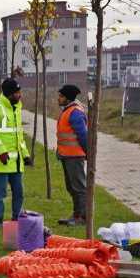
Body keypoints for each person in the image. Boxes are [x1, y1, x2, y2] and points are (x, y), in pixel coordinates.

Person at [0, 78, 30, 227]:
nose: (20, 95)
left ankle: (17, 218)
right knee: (1, 192)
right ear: (10, 94)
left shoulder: (16, 108)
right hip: (2, 160)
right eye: (17, 92)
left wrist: (26, 155)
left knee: (19, 192)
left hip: (16, 162)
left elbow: (19, 136)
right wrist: (1, 151)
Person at [56, 84, 89, 226]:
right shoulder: (68, 111)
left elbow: (83, 135)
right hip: (67, 156)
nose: (59, 98)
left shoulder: (75, 112)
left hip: (74, 157)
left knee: (79, 187)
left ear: (68, 98)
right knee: (71, 187)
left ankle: (82, 217)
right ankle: (76, 214)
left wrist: (88, 152)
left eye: (61, 96)